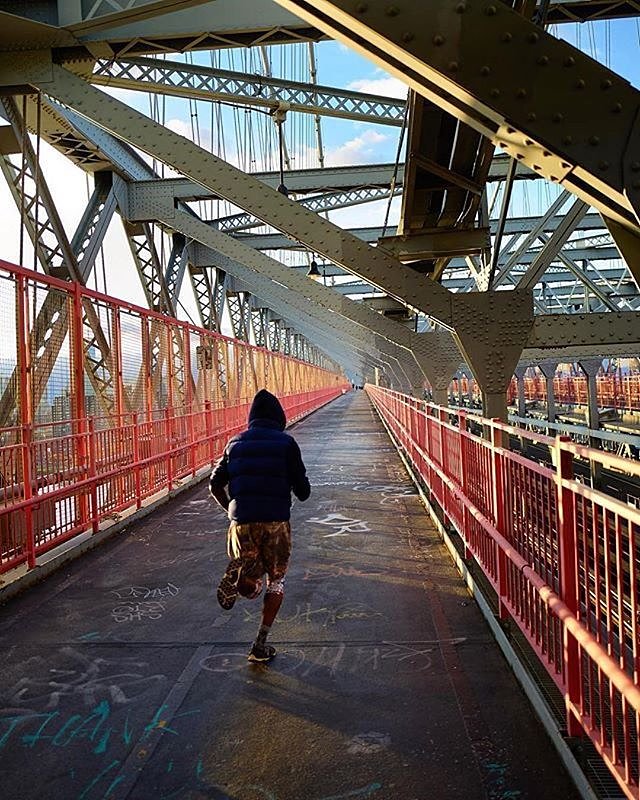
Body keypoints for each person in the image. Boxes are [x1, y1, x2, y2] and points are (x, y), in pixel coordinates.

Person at [209, 389, 311, 663]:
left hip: (241, 523)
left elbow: (214, 483)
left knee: (251, 573)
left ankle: (245, 579)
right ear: (279, 417)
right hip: (276, 523)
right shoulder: (286, 444)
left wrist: (231, 509)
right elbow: (303, 491)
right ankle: (260, 645)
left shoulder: (234, 444)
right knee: (275, 582)